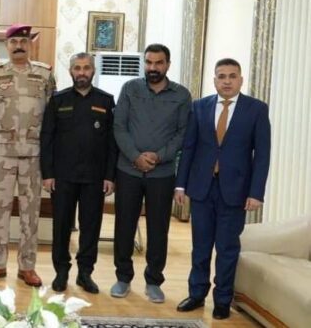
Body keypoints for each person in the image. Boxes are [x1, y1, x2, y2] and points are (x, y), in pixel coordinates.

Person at [175, 58, 271, 320]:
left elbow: (262, 155)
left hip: (235, 191)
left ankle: (222, 300)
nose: (227, 81)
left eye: (232, 76)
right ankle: (196, 294)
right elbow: (189, 148)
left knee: (227, 249)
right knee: (200, 247)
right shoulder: (199, 107)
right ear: (214, 80)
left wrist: (256, 193)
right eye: (221, 76)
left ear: (241, 80)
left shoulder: (256, 109)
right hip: (202, 188)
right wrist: (181, 184)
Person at [111, 43, 192, 303]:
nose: (153, 67)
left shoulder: (181, 95)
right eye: (148, 62)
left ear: (168, 64)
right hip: (128, 170)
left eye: (158, 63)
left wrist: (159, 156)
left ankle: (154, 280)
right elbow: (119, 127)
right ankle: (123, 278)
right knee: (124, 226)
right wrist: (136, 156)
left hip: (162, 173)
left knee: (159, 229)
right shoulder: (130, 89)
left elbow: (182, 133)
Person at [0, 24, 55, 287]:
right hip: (2, 155)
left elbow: (53, 120)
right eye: (14, 42)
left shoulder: (45, 75)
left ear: (30, 44)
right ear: (6, 46)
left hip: (34, 156)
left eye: (23, 41)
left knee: (30, 213)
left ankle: (27, 266)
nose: (19, 46)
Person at [40, 52, 117, 294]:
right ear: (70, 71)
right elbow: (46, 139)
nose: (81, 72)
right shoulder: (57, 100)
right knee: (61, 227)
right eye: (77, 68)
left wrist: (110, 176)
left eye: (86, 68)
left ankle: (85, 273)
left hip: (94, 177)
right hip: (63, 177)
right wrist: (47, 174)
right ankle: (61, 272)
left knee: (90, 228)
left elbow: (112, 142)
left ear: (93, 71)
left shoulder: (106, 101)